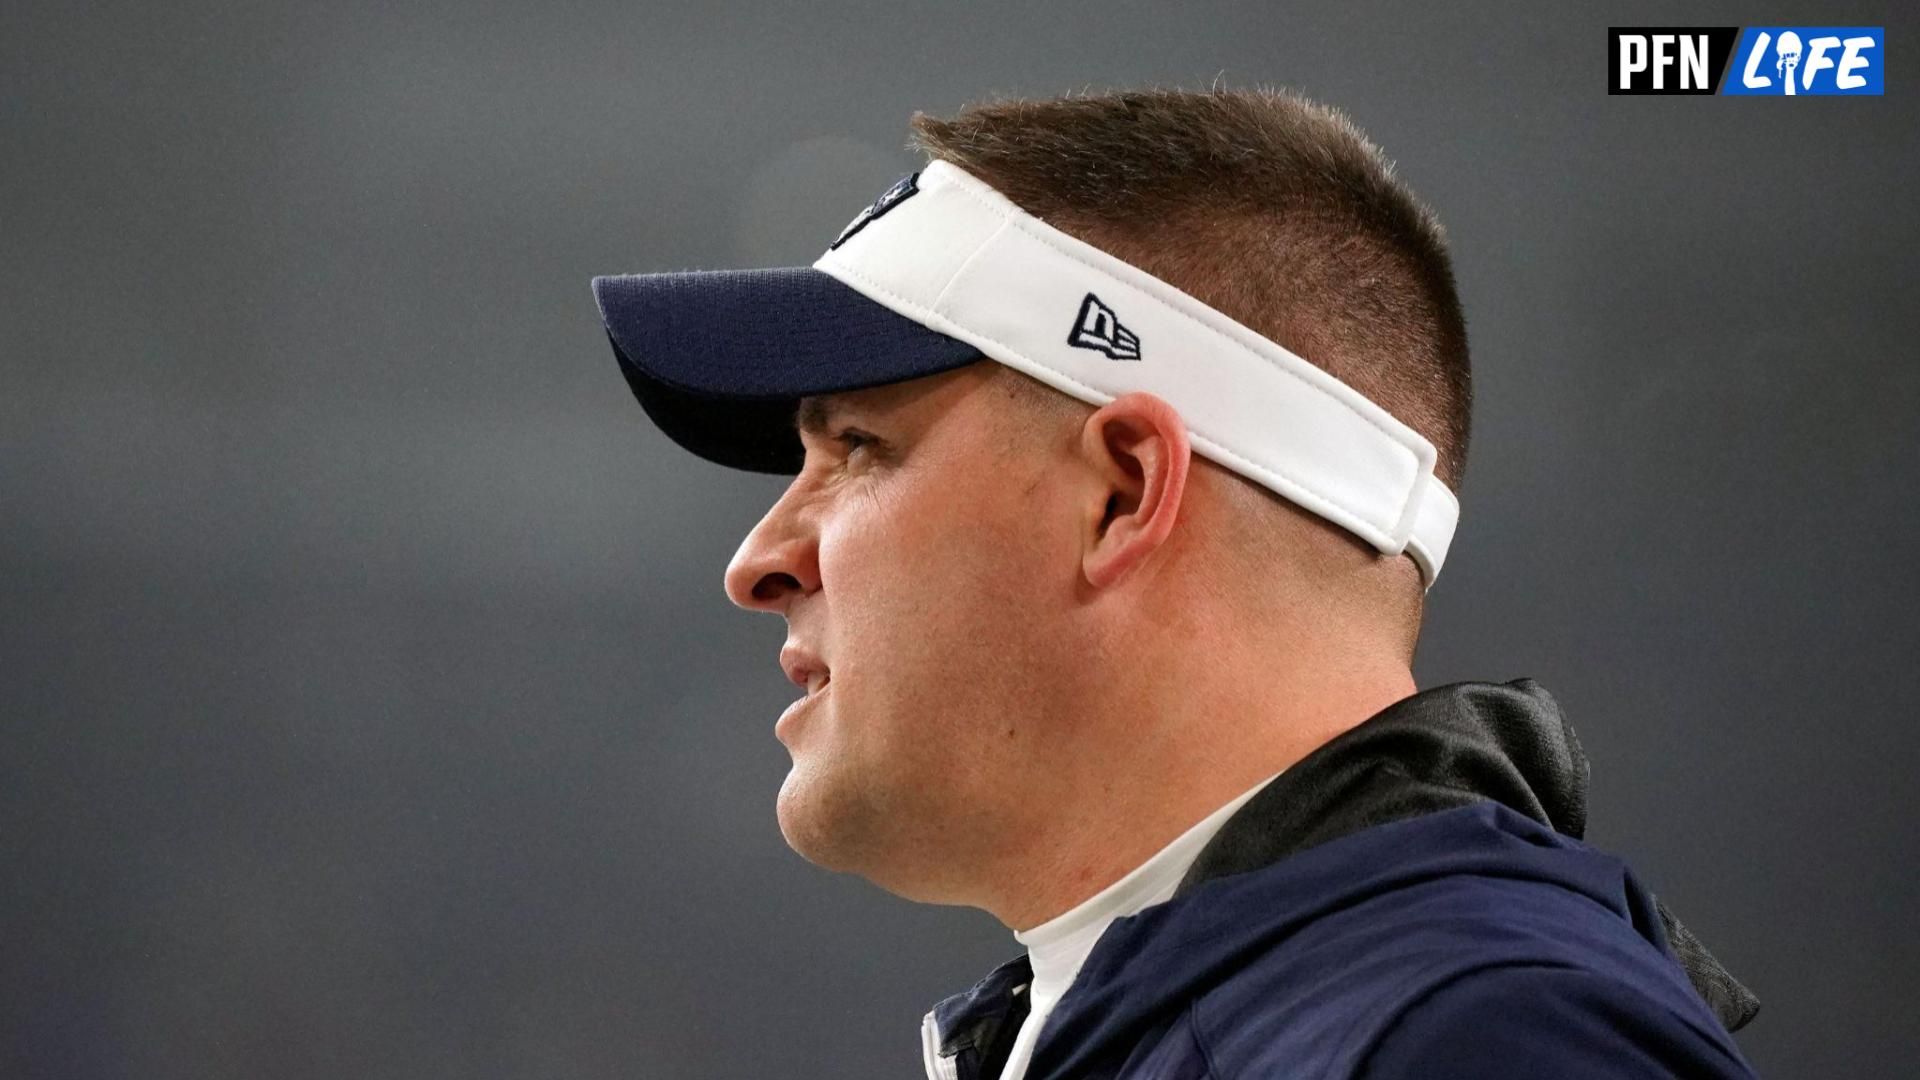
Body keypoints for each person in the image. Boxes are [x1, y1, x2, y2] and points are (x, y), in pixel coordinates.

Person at [588, 86, 1761, 1079]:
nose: (759, 561)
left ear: (1124, 488)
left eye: (857, 448)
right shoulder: (1283, 1016)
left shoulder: (1485, 1035)